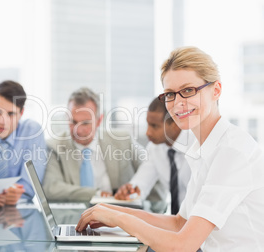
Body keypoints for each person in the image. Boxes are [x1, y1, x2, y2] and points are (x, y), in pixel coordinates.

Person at [76, 46, 264, 251]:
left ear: (216, 90)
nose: (178, 104)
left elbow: (183, 245)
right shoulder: (203, 149)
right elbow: (179, 223)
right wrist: (109, 211)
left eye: (188, 90)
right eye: (170, 94)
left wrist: (118, 217)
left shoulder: (231, 151)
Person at [43, 87, 160, 202]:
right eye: (73, 122)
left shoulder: (123, 140)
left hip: (118, 216)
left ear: (99, 120)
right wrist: (98, 194)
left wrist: (151, 209)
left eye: (85, 123)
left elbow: (154, 173)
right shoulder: (54, 146)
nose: (78, 131)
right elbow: (51, 188)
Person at [115, 97, 194, 215]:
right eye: (148, 124)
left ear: (176, 123)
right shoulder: (154, 148)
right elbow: (141, 184)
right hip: (175, 223)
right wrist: (129, 191)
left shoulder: (197, 146)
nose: (148, 132)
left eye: (154, 126)